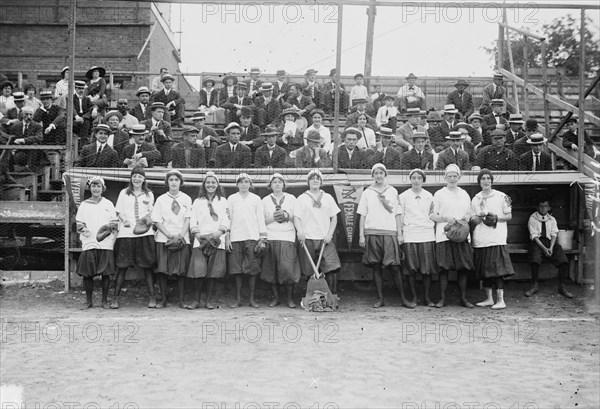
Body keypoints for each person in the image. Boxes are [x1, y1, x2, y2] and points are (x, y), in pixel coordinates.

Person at [358, 163, 414, 308]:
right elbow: (362, 215)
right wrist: (361, 236)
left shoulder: (392, 191)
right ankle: (380, 299)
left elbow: (397, 213)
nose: (378, 176)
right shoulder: (367, 192)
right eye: (376, 173)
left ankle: (403, 299)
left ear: (385, 175)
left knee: (395, 266)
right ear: (372, 175)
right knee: (376, 266)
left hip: (389, 232)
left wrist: (399, 233)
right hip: (372, 231)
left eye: (381, 173)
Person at [430, 164, 475, 308]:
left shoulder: (464, 193)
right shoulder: (439, 194)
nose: (452, 178)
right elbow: (432, 215)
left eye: (454, 176)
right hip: (444, 235)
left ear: (459, 177)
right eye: (449, 176)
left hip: (461, 235)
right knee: (444, 268)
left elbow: (469, 212)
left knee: (463, 268)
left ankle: (463, 299)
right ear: (445, 177)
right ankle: (442, 299)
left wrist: (465, 217)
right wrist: (445, 218)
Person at [112, 166, 157, 309]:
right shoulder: (124, 193)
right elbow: (118, 211)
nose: (136, 179)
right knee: (122, 267)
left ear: (144, 179)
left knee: (147, 267)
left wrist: (147, 221)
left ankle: (152, 297)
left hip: (145, 234)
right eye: (134, 176)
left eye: (140, 176)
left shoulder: (149, 194)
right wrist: (124, 220)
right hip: (126, 234)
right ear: (131, 178)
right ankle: (115, 298)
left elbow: (152, 213)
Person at [470, 169, 515, 310]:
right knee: (485, 270)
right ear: (479, 182)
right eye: (483, 178)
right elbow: (472, 219)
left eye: (488, 178)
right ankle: (489, 299)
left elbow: (509, 216)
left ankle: (500, 300)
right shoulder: (476, 198)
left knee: (497, 270)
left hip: (496, 238)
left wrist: (496, 217)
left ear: (492, 180)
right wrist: (479, 218)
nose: (485, 181)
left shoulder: (501, 196)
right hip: (481, 238)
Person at [295, 169, 342, 294]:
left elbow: (334, 217)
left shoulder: (328, 197)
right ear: (308, 182)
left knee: (330, 268)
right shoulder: (302, 198)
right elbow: (296, 217)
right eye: (312, 178)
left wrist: (329, 234)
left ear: (321, 182)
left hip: (325, 238)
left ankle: (331, 296)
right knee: (308, 270)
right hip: (308, 238)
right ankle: (312, 298)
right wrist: (300, 232)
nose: (315, 180)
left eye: (318, 178)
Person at [188, 171, 230, 309]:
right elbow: (193, 220)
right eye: (208, 182)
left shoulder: (223, 201)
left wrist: (216, 234)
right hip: (200, 240)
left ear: (217, 184)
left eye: (213, 182)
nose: (210, 185)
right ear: (204, 185)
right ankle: (196, 301)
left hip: (217, 240)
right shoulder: (198, 201)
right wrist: (200, 236)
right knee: (199, 271)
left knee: (213, 272)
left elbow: (226, 219)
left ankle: (209, 301)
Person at [75, 176, 117, 309]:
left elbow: (113, 223)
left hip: (105, 242)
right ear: (90, 188)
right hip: (89, 242)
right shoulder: (84, 205)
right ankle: (89, 301)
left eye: (98, 186)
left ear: (103, 188)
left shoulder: (108, 204)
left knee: (105, 273)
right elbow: (79, 223)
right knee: (88, 273)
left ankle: (104, 301)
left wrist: (108, 233)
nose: (96, 188)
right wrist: (85, 230)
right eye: (93, 186)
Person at [152, 169, 192, 308]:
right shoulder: (161, 199)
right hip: (164, 238)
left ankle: (181, 300)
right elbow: (156, 220)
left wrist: (180, 235)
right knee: (163, 270)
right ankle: (163, 299)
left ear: (181, 182)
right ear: (167, 182)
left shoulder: (186, 198)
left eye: (176, 180)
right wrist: (169, 235)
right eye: (171, 180)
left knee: (181, 271)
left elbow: (188, 219)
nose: (174, 182)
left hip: (182, 238)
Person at [227, 173, 268, 308]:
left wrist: (262, 237)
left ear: (250, 184)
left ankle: (251, 299)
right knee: (236, 269)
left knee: (252, 269)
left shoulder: (256, 199)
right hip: (236, 237)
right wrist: (227, 236)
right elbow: (228, 218)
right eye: (241, 182)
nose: (244, 184)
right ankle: (238, 299)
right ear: (237, 184)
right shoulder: (232, 199)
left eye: (246, 182)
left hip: (252, 237)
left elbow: (260, 219)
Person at [261, 173, 302, 308]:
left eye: (280, 182)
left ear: (284, 184)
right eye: (274, 182)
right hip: (271, 236)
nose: (277, 184)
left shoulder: (291, 198)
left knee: (287, 269)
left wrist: (286, 215)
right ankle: (276, 298)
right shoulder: (265, 200)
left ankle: (290, 299)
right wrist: (274, 217)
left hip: (287, 237)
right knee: (272, 269)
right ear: (270, 185)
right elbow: (261, 221)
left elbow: (296, 217)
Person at [399, 169, 437, 306]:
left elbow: (433, 214)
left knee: (427, 269)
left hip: (427, 234)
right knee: (410, 269)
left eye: (419, 178)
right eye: (413, 177)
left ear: (423, 180)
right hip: (410, 234)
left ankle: (427, 298)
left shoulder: (429, 196)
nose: (416, 180)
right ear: (410, 180)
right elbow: (400, 216)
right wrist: (401, 234)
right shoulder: (403, 196)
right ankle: (414, 298)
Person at [526, 199, 574, 298]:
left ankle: (562, 286)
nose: (543, 208)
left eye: (545, 206)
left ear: (549, 208)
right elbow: (534, 235)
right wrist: (544, 249)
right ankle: (534, 286)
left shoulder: (552, 219)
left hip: (549, 242)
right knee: (535, 259)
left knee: (563, 259)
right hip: (537, 242)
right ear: (537, 207)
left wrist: (551, 248)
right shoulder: (533, 218)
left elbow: (554, 234)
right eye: (541, 206)